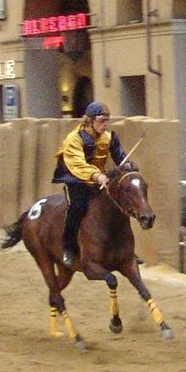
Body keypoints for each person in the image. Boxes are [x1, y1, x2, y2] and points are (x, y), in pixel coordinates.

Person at [52, 101, 128, 266]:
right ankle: (69, 248)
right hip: (76, 178)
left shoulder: (109, 136)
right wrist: (96, 175)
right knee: (78, 207)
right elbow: (78, 164)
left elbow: (120, 156)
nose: (105, 125)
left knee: (118, 204)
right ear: (89, 121)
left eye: (107, 120)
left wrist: (128, 166)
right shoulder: (74, 138)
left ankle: (124, 249)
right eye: (101, 121)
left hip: (97, 177)